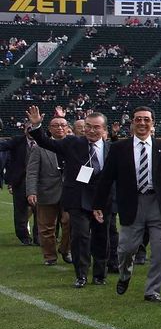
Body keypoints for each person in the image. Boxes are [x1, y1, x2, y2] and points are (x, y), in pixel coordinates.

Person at [91, 107, 161, 302]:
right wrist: (98, 205)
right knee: (126, 249)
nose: (142, 123)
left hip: (157, 203)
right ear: (132, 123)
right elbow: (106, 179)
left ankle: (152, 290)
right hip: (132, 203)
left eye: (146, 120)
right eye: (138, 119)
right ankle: (124, 274)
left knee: (160, 253)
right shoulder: (119, 149)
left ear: (152, 123)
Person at [27, 107, 111, 288]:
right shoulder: (72, 143)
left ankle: (99, 275)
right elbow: (45, 142)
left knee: (101, 238)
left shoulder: (113, 149)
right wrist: (36, 126)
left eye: (96, 127)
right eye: (88, 126)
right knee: (79, 237)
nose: (91, 130)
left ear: (104, 130)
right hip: (78, 199)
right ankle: (81, 275)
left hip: (103, 202)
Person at [25, 116, 72, 266]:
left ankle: (65, 249)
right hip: (46, 191)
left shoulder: (74, 145)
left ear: (67, 128)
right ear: (50, 129)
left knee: (70, 223)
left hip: (69, 192)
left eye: (62, 125)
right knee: (46, 228)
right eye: (56, 125)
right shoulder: (39, 147)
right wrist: (31, 191)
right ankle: (49, 256)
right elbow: (32, 171)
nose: (59, 128)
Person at [1, 128, 34, 246]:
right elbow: (3, 146)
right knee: (20, 210)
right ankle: (24, 237)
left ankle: (39, 237)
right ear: (25, 129)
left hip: (40, 181)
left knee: (41, 211)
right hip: (20, 181)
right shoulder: (17, 140)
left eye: (33, 128)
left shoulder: (43, 140)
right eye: (28, 128)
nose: (30, 131)